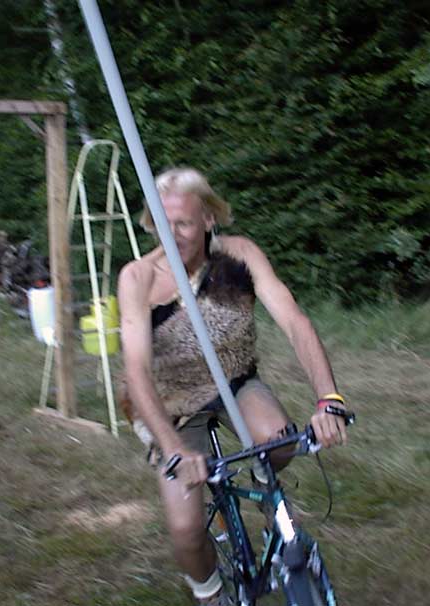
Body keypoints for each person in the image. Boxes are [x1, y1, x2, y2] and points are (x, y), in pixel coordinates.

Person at [117, 167, 348, 605]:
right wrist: (174, 449)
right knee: (186, 530)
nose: (172, 235)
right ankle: (210, 594)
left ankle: (265, 486)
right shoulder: (138, 278)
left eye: (183, 223)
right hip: (172, 404)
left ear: (208, 219)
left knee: (280, 441)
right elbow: (137, 371)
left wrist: (329, 400)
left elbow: (294, 322)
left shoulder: (239, 256)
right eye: (162, 224)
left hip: (233, 379)